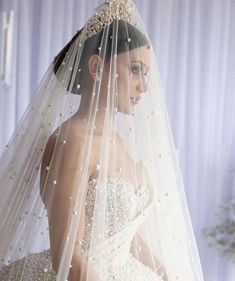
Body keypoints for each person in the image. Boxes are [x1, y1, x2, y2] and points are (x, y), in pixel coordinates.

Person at [0, 0, 204, 280]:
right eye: (135, 69)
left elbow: (123, 234)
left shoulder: (116, 142)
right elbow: (68, 258)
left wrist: (167, 275)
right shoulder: (71, 142)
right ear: (96, 66)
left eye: (146, 73)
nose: (144, 86)